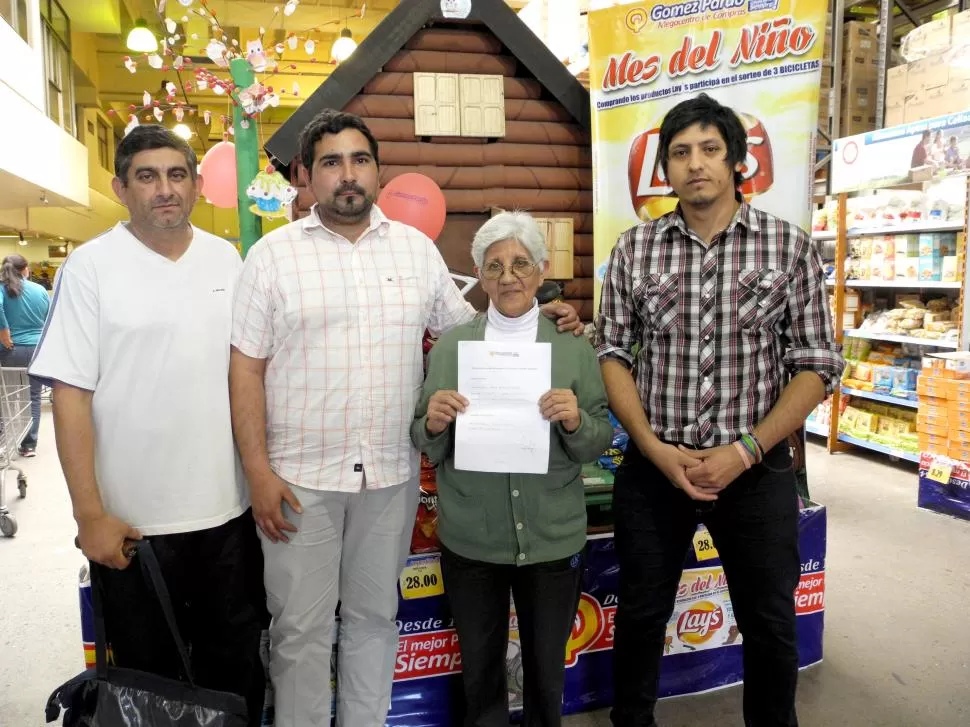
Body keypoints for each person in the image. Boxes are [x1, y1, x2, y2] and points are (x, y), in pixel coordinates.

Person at [229, 109, 583, 727]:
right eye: (331, 162)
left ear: (377, 171)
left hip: (388, 478)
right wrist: (257, 471)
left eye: (359, 160)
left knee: (373, 622)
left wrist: (536, 317)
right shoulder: (271, 257)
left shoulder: (415, 252)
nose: (347, 175)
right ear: (308, 176)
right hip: (298, 482)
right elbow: (245, 371)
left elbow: (471, 336)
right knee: (300, 630)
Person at [596, 94, 844, 727]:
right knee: (643, 615)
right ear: (665, 168)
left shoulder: (787, 248)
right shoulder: (634, 250)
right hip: (657, 469)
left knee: (768, 621)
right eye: (680, 152)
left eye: (710, 149)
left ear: (737, 161)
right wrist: (653, 448)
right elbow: (614, 352)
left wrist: (745, 451)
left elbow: (817, 365)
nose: (695, 164)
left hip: (754, 470)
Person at [29, 125, 268, 726]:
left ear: (194, 184)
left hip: (226, 516)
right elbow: (71, 394)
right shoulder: (90, 268)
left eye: (177, 174)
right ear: (121, 187)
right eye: (147, 176)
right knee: (148, 687)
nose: (165, 189)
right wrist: (89, 516)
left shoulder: (227, 260)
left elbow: (251, 372)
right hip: (134, 528)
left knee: (235, 673)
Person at [411, 211, 613, 727]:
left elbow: (597, 441)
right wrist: (433, 423)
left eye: (520, 263)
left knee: (547, 671)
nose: (508, 277)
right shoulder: (455, 346)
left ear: (542, 272)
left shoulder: (570, 346)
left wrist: (573, 423)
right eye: (494, 266)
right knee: (481, 671)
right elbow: (423, 439)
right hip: (472, 541)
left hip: (551, 538)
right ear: (479, 276)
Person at [0, 254, 52, 456]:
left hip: (11, 350)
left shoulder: (2, 288)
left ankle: (4, 441)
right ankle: (29, 445)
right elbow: (50, 318)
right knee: (33, 397)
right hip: (38, 350)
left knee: (6, 396)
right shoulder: (39, 290)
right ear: (25, 269)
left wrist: (4, 330)